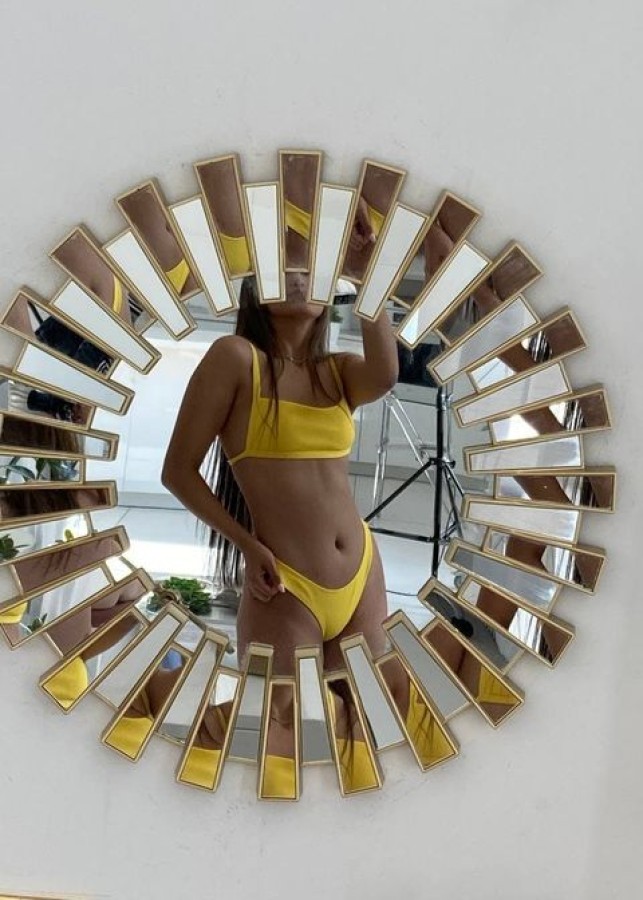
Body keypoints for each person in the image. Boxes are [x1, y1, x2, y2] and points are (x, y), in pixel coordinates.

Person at [161, 273, 398, 685]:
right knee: (280, 722)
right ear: (256, 289)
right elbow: (177, 471)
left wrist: (367, 275)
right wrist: (246, 545)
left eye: (310, 270)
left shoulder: (337, 370)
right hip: (285, 582)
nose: (300, 278)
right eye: (285, 267)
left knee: (361, 717)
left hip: (362, 572)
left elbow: (386, 375)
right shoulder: (235, 358)